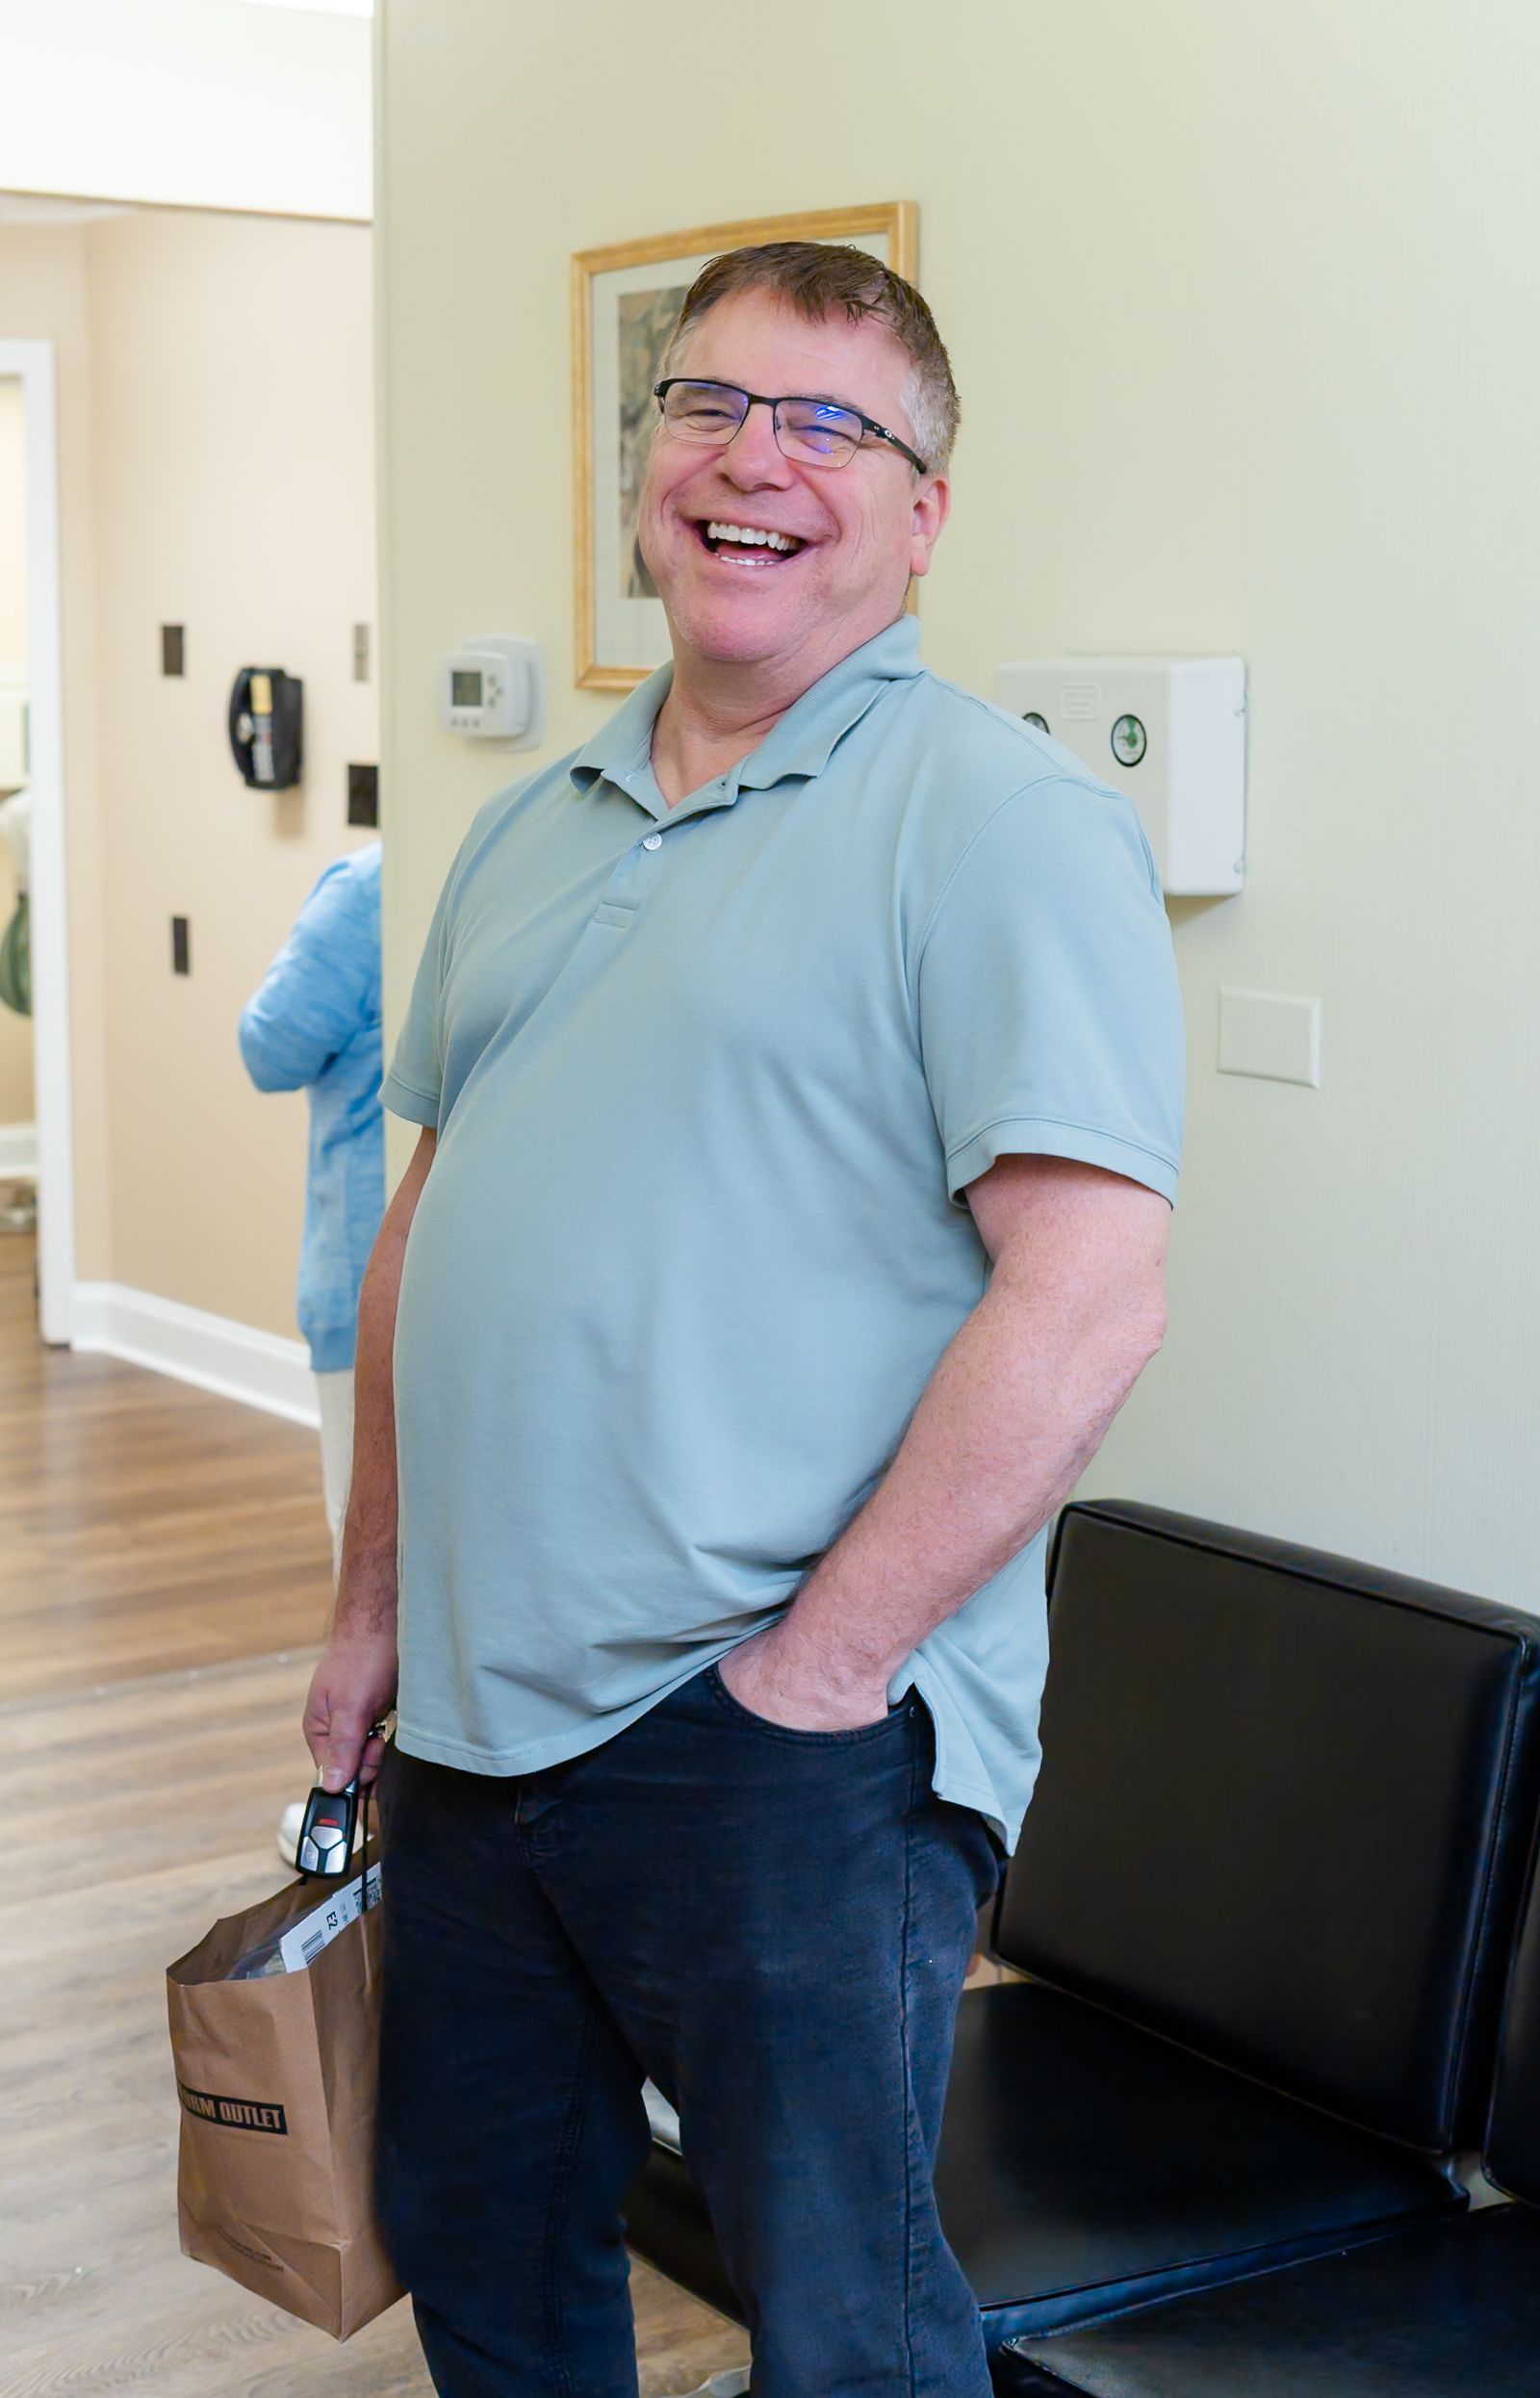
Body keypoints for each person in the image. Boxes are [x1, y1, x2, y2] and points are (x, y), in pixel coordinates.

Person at [303, 245, 1184, 2398]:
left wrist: (819, 1673)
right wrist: (373, 1607)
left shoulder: (995, 823)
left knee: (844, 2327)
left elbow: (1089, 1293)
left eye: (827, 426)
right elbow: (430, 1236)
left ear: (920, 513)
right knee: (488, 2252)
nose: (751, 461)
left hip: (771, 1746)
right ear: (645, 462)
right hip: (475, 1725)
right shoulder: (526, 830)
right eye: (708, 404)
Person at [239, 840, 383, 1863]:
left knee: (369, 1563)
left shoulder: (369, 889)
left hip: (367, 1272)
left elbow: (270, 1044)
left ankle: (369, 1823)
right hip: (488, 1278)